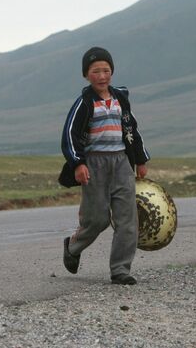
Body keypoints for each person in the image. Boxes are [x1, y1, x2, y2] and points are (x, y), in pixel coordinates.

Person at [61, 46, 149, 285]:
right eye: (95, 71)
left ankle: (120, 269)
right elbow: (69, 135)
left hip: (121, 162)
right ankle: (73, 246)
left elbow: (132, 130)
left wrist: (140, 159)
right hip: (95, 164)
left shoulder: (121, 99)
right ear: (86, 75)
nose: (102, 76)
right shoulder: (84, 103)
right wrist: (78, 164)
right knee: (97, 219)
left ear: (112, 72)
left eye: (106, 70)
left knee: (127, 219)